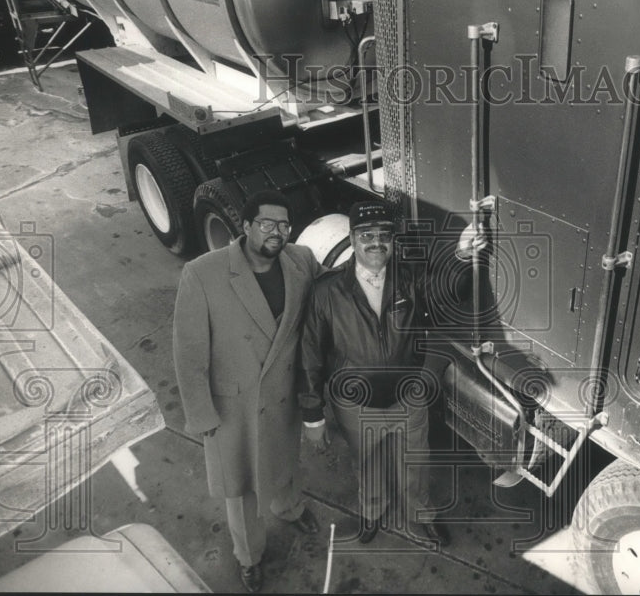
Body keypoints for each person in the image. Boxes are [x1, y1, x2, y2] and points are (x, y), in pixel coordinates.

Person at [173, 190, 322, 592]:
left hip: (284, 394)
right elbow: (189, 354)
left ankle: (291, 509)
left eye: (284, 225)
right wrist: (201, 415)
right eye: (267, 224)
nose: (277, 232)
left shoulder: (301, 260)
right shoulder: (203, 273)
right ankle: (249, 556)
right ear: (245, 226)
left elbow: (327, 304)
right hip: (234, 405)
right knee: (241, 487)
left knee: (286, 461)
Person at [300, 200, 452, 547]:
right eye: (367, 234)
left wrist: (460, 255)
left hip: (407, 398)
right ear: (352, 239)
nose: (376, 242)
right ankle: (372, 512)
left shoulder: (411, 279)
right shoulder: (327, 292)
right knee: (366, 463)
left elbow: (446, 292)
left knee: (415, 461)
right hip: (356, 405)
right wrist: (313, 415)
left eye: (384, 234)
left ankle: (421, 513)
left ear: (393, 240)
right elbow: (309, 354)